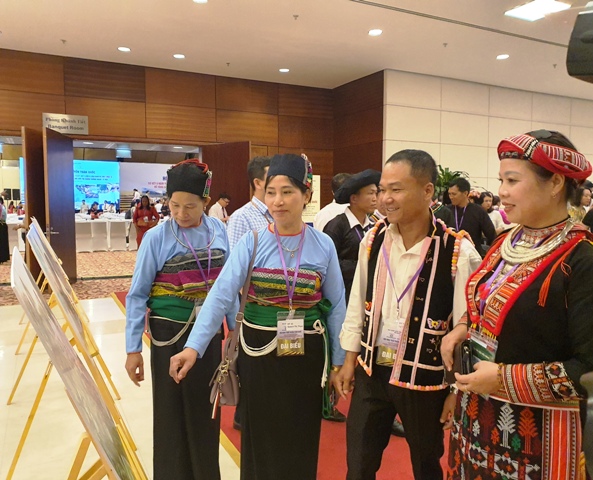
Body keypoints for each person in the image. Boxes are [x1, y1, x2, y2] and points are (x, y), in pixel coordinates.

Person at [169, 153, 347, 480]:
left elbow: (337, 306)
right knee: (261, 440)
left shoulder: (323, 245)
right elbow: (220, 295)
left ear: (306, 195)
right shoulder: (252, 242)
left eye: (287, 192)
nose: (278, 201)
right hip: (259, 357)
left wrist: (339, 363)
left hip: (307, 359)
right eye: (271, 192)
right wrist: (193, 347)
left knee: (302, 437)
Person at [442, 130, 593, 480]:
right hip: (476, 418)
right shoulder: (504, 242)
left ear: (555, 183)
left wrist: (503, 378)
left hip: (537, 437)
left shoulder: (581, 260)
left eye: (512, 180)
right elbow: (486, 301)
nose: (503, 192)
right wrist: (462, 328)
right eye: (501, 181)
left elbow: (587, 368)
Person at [335, 149, 482, 480]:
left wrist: (455, 391)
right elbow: (357, 302)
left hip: (425, 379)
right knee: (358, 463)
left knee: (426, 464)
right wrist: (349, 360)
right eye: (382, 189)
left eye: (396, 189)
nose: (385, 199)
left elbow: (467, 327)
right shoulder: (373, 239)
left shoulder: (457, 250)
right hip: (372, 370)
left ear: (427, 191)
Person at [125, 161, 234, 480]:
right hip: (168, 335)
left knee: (206, 412)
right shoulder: (157, 238)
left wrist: (233, 329)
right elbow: (137, 294)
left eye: (190, 206)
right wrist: (133, 349)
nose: (181, 213)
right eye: (174, 205)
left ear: (205, 202)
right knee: (170, 415)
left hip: (209, 334)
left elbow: (227, 285)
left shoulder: (218, 231)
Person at [227, 156, 273, 251]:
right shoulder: (241, 217)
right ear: (258, 183)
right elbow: (234, 256)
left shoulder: (278, 211)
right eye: (271, 178)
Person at [448, 177, 496, 257]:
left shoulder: (478, 211)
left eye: (454, 194)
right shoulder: (447, 211)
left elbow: (491, 235)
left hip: (473, 256)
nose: (451, 197)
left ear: (465, 193)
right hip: (450, 255)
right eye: (449, 194)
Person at [0, 197, 9, 264]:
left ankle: (2, 258)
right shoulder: (3, 207)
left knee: (2, 243)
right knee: (3, 242)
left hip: (1, 225)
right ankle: (4, 258)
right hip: (3, 225)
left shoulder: (1, 207)